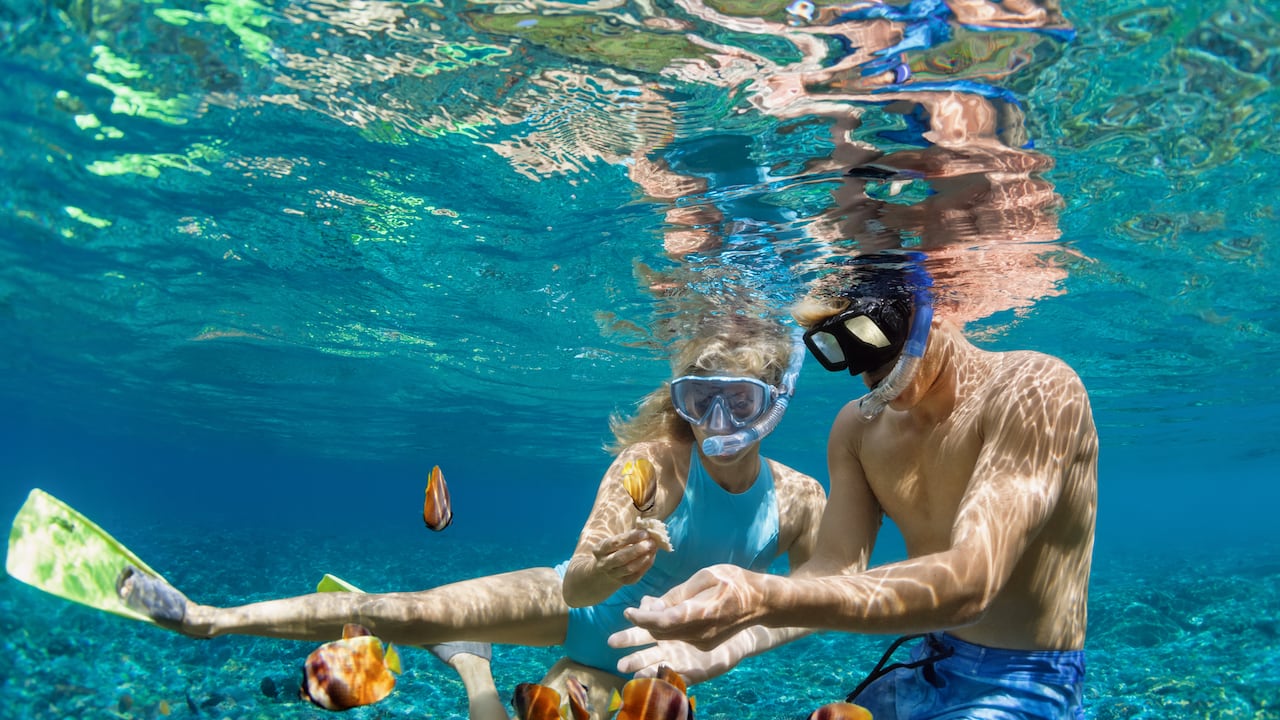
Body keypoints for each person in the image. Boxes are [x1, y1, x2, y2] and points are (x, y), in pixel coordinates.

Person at [118, 313, 827, 720]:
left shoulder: (800, 499)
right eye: (700, 398)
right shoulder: (653, 465)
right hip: (576, 608)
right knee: (400, 611)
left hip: (653, 667)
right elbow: (577, 583)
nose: (716, 421)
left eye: (739, 400)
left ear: (776, 402)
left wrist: (724, 647)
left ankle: (473, 671)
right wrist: (604, 570)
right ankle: (208, 618)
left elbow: (821, 600)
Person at [611, 253, 1098, 719]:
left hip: (1027, 678)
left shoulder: (1035, 387)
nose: (866, 371)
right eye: (841, 348)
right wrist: (737, 639)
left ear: (930, 309)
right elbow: (834, 567)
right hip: (929, 659)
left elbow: (974, 582)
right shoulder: (858, 428)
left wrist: (763, 599)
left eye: (872, 333)